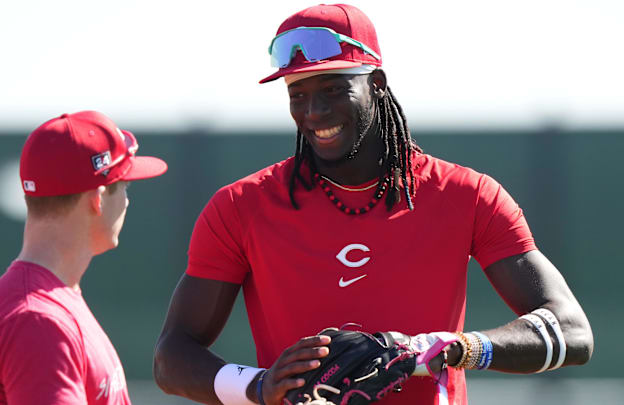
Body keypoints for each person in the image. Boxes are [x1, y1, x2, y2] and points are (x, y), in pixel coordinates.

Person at [153, 4, 593, 405]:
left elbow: (572, 333)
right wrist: (260, 385)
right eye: (298, 94)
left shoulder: (468, 194)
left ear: (376, 83)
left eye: (331, 88)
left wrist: (434, 350)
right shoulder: (240, 206)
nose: (314, 111)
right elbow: (171, 358)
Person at [0, 111, 167, 405]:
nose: (127, 201)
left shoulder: (46, 302)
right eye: (124, 186)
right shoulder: (38, 320)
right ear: (97, 199)